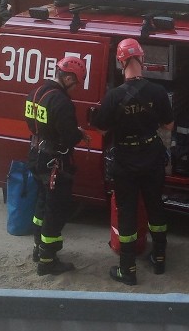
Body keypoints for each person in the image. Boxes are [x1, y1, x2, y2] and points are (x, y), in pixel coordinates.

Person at [90, 39, 174, 286]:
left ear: (120, 61)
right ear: (142, 59)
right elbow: (168, 125)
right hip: (152, 155)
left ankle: (127, 269)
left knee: (126, 213)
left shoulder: (113, 97)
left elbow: (102, 129)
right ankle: (159, 258)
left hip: (125, 160)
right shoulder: (157, 92)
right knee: (155, 206)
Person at [25, 56, 90, 276]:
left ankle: (38, 248)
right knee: (56, 209)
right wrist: (77, 134)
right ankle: (47, 260)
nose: (76, 87)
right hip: (55, 162)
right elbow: (69, 137)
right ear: (69, 77)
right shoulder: (62, 102)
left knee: (42, 204)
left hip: (36, 155)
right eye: (76, 82)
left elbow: (35, 124)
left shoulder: (34, 94)